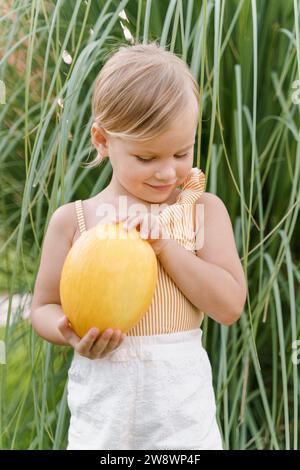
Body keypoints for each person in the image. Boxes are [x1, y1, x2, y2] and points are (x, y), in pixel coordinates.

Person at [30, 41, 247, 450]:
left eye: (182, 152)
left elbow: (229, 305)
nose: (167, 171)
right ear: (102, 139)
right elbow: (41, 307)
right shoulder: (74, 221)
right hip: (105, 417)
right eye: (146, 158)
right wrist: (68, 333)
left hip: (181, 419)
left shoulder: (202, 211)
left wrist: (164, 245)